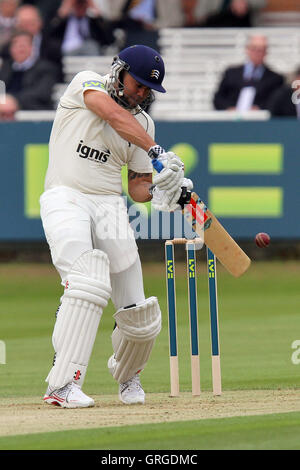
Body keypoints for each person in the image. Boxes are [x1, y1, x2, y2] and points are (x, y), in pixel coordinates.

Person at [40, 44, 193, 408]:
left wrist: (164, 187)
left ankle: (128, 378)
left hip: (109, 205)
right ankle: (62, 384)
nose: (141, 93)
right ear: (119, 70)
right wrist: (158, 152)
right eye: (137, 83)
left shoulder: (143, 123)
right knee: (86, 280)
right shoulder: (86, 83)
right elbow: (109, 113)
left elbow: (137, 187)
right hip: (66, 195)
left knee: (138, 311)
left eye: (147, 89)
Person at [213, 34, 284, 112]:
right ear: (247, 50)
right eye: (254, 49)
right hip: (231, 119)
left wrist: (259, 108)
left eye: (261, 50)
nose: (257, 53)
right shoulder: (231, 73)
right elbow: (218, 98)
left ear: (266, 52)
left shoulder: (275, 78)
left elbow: (276, 101)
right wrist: (229, 108)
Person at [0, 31, 60, 119]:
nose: (20, 48)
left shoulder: (46, 68)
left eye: (24, 44)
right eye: (16, 45)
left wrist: (13, 101)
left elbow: (42, 93)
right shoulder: (5, 68)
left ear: (32, 48)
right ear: (11, 49)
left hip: (34, 113)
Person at [46, 0, 116, 57]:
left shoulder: (93, 21)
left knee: (91, 45)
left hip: (90, 54)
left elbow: (109, 38)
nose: (80, 7)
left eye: (83, 4)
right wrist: (64, 9)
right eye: (77, 4)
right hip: (66, 51)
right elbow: (49, 33)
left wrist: (95, 9)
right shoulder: (64, 21)